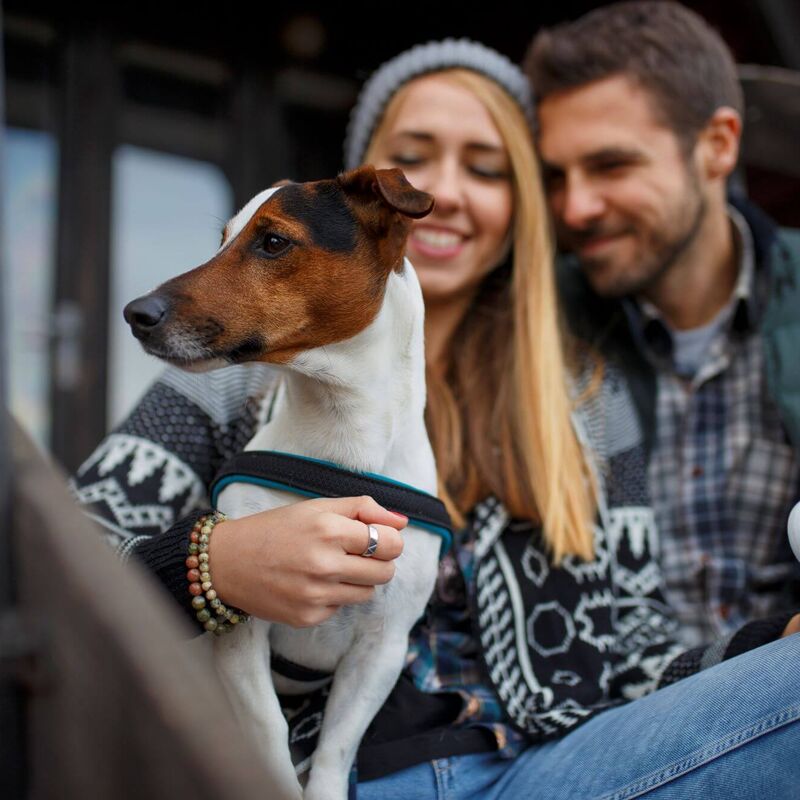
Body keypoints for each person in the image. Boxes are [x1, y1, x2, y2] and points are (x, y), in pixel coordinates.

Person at [71, 38, 800, 798]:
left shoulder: (583, 397)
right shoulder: (238, 375)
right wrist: (212, 566)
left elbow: (633, 644)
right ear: (370, 204)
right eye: (414, 155)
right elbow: (62, 556)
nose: (444, 190)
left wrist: (766, 646)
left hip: (556, 770)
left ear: (520, 203)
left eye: (486, 168)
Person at [525, 0, 800, 648]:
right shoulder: (537, 326)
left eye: (612, 166)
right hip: (612, 728)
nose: (576, 206)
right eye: (557, 177)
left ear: (717, 146)